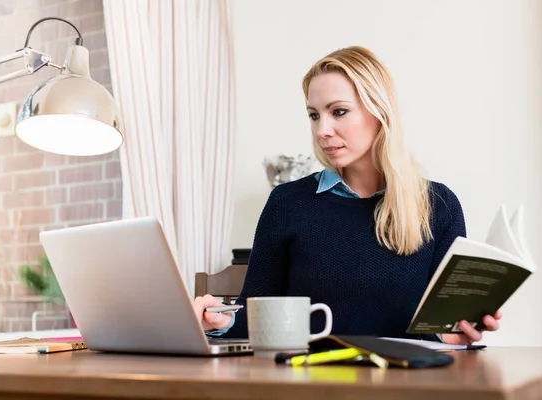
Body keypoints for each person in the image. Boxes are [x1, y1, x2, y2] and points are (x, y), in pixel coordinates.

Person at [194, 46, 502, 345]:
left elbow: (441, 330)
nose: (321, 130)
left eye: (338, 112)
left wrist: (453, 333)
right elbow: (255, 317)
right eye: (314, 115)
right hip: (310, 387)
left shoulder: (439, 206)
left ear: (380, 112)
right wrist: (224, 321)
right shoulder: (288, 203)